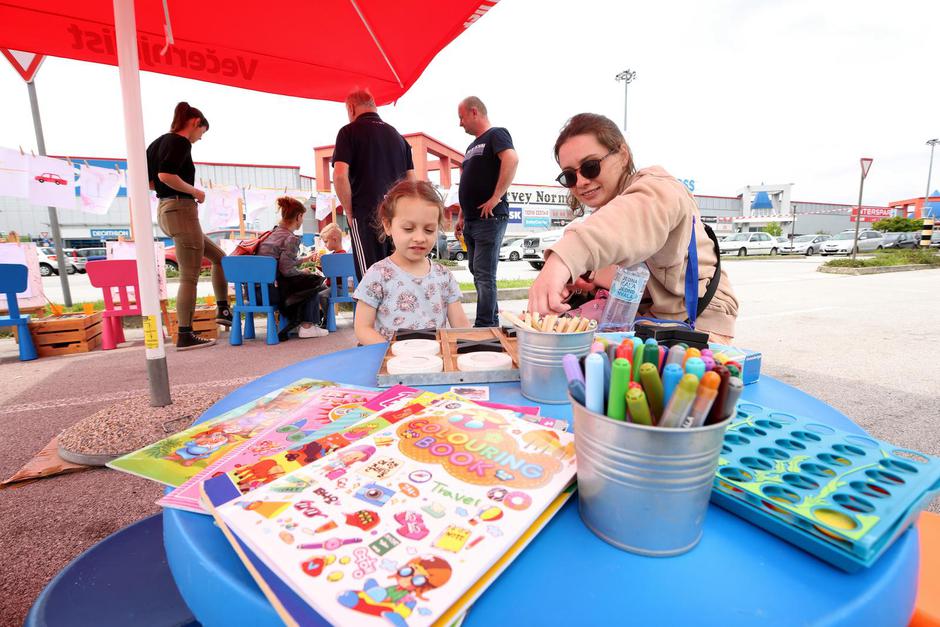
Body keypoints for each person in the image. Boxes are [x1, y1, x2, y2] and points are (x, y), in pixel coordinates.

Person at [527, 113, 738, 343]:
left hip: (697, 323)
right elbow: (639, 270)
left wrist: (561, 261)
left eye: (590, 166)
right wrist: (590, 278)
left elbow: (630, 217)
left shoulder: (658, 187)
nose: (581, 182)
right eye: (569, 176)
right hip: (655, 318)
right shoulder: (609, 209)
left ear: (623, 154)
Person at [147, 102, 231, 351]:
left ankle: (223, 308)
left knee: (220, 258)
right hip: (180, 209)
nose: (199, 138)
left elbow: (152, 181)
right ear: (195, 122)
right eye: (201, 133)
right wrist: (195, 191)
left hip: (166, 209)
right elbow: (164, 175)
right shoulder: (180, 142)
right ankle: (185, 333)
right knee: (189, 275)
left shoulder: (158, 142)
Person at [353, 180, 469, 345]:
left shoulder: (444, 276)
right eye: (408, 228)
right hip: (392, 364)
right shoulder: (378, 275)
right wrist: (392, 353)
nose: (420, 238)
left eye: (429, 230)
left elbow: (461, 326)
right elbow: (363, 328)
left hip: (434, 363)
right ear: (388, 225)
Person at [332, 90, 416, 280]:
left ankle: (372, 311)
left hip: (366, 213)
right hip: (398, 216)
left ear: (351, 108)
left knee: (370, 279)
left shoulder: (348, 132)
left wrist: (349, 209)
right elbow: (412, 182)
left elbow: (339, 176)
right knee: (398, 276)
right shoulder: (399, 137)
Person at [454, 96, 519, 327]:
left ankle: (484, 326)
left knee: (484, 274)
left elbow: (511, 159)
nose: (460, 123)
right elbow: (467, 182)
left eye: (461, 117)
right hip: (471, 219)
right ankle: (491, 319)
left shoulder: (496, 134)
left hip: (490, 218)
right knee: (476, 270)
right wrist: (461, 214)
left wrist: (496, 197)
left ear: (474, 112)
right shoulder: (471, 147)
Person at [258, 197, 330, 340]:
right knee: (312, 281)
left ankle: (301, 323)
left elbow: (279, 263)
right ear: (298, 216)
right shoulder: (290, 238)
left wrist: (304, 259)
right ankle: (307, 326)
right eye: (302, 217)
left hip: (256, 292)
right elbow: (286, 270)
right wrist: (303, 271)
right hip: (273, 293)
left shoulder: (271, 235)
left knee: (303, 281)